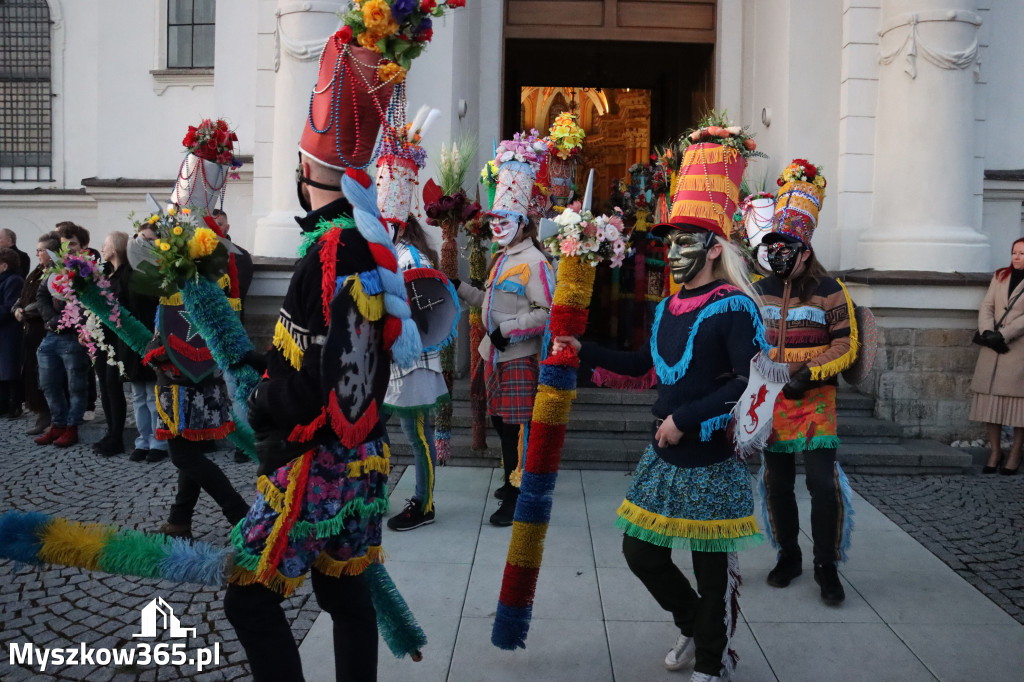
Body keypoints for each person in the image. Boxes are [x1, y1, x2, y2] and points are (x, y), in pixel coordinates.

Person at [224, 29, 420, 681]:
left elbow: (323, 376)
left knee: (248, 597)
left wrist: (261, 400)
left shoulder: (332, 250)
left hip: (319, 460)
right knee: (346, 596)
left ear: (305, 173)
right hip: (362, 456)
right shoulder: (364, 241)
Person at [555, 136, 763, 682]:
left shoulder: (736, 307)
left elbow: (747, 384)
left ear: (714, 248)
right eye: (668, 240)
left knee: (711, 571)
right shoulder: (668, 305)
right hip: (664, 455)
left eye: (684, 240)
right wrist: (583, 350)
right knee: (639, 552)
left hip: (710, 458)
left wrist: (684, 420)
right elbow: (645, 367)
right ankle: (693, 623)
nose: (671, 251)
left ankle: (712, 663)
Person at [754, 160, 857, 607]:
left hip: (815, 401)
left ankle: (826, 566)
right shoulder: (758, 289)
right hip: (772, 401)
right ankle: (789, 556)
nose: (778, 253)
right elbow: (748, 341)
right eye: (773, 245)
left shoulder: (831, 289)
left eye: (786, 246)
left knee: (822, 485)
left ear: (805, 250)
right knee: (777, 485)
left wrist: (808, 374)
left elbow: (845, 344)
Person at [454, 138, 554, 527]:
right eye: (494, 219)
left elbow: (545, 313)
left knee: (515, 431)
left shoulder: (536, 262)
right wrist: (459, 288)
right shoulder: (501, 259)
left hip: (517, 360)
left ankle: (517, 494)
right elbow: (489, 301)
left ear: (522, 223)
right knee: (500, 424)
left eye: (505, 220)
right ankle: (511, 479)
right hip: (491, 355)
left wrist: (507, 331)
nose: (497, 226)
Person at [385, 215, 449, 531]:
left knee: (417, 435)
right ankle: (373, 492)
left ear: (398, 226)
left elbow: (421, 309)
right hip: (391, 361)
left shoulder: (410, 258)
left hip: (414, 362)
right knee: (372, 427)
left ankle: (424, 504)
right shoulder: (392, 253)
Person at [34, 223, 92, 447]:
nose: (67, 249)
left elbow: (90, 302)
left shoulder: (87, 269)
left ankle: (72, 426)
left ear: (82, 246)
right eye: (63, 245)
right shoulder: (54, 268)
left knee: (76, 386)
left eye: (72, 244)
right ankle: (57, 424)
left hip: (73, 337)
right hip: (51, 334)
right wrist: (52, 319)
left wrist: (71, 320)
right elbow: (42, 295)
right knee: (48, 384)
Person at [970, 237, 1024, 475]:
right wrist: (987, 332)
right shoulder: (1000, 275)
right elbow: (987, 305)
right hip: (992, 349)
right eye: (1014, 252)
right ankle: (995, 451)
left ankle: (1015, 453)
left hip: (1017, 349)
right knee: (990, 404)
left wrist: (1003, 335)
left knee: (1019, 407)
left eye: (1022, 253)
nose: (1017, 257)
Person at [210, 209, 255, 464]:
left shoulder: (239, 255)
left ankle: (243, 442)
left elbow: (236, 294)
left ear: (227, 227)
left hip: (229, 331)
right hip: (201, 332)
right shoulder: (196, 256)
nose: (215, 227)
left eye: (219, 223)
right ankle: (205, 435)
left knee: (235, 387)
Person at [124, 226, 167, 463]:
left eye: (151, 240)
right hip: (133, 338)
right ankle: (143, 440)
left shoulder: (162, 271)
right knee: (138, 396)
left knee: (153, 395)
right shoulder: (128, 270)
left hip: (154, 339)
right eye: (142, 239)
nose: (145, 244)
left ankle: (159, 442)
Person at [13, 231, 59, 434]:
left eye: (41, 250)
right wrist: (16, 308)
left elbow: (44, 300)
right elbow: (24, 294)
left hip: (43, 329)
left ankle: (49, 414)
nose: (37, 254)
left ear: (51, 252)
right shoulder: (37, 271)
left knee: (43, 374)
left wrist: (24, 312)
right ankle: (40, 412)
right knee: (31, 371)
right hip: (31, 330)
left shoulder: (55, 271)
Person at [0, 248, 26, 417]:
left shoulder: (14, 281)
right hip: (3, 332)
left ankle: (13, 405)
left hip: (9, 332)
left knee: (10, 371)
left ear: (4, 266)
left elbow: (10, 307)